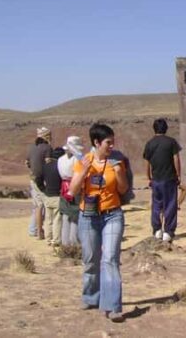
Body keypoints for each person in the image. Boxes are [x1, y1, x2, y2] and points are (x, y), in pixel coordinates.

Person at [69, 123, 129, 323]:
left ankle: (112, 306)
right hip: (88, 216)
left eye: (113, 142)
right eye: (108, 143)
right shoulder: (83, 161)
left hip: (112, 214)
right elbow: (74, 190)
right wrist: (83, 171)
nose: (112, 146)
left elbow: (122, 189)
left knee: (110, 258)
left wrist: (119, 172)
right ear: (96, 142)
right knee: (91, 259)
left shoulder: (117, 161)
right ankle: (91, 296)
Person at [143, 118, 182, 242]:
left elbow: (147, 162)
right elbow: (176, 158)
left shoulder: (149, 143)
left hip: (156, 179)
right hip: (169, 178)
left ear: (154, 128)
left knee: (156, 205)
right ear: (166, 128)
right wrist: (178, 174)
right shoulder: (171, 142)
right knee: (170, 204)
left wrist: (148, 176)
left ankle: (157, 230)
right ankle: (168, 231)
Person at [26, 127, 52, 239]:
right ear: (46, 136)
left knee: (37, 205)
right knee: (43, 206)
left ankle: (33, 229)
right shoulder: (47, 148)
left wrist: (33, 170)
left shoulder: (32, 148)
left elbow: (26, 162)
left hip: (33, 179)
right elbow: (49, 164)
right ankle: (39, 231)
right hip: (43, 181)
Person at [59, 136, 84, 246]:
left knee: (65, 214)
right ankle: (74, 242)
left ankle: (65, 242)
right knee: (75, 215)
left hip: (64, 187)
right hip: (75, 186)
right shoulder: (76, 160)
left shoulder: (60, 160)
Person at [41, 147, 65, 247]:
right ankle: (55, 240)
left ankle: (48, 239)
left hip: (47, 195)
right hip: (57, 195)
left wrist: (43, 189)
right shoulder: (60, 167)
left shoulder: (45, 166)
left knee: (48, 219)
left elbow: (38, 178)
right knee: (57, 219)